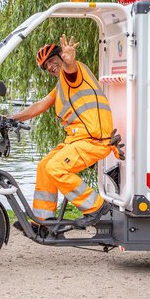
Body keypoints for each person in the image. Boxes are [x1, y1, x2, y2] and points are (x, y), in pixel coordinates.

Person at [10, 34, 115, 229]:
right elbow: (40, 105)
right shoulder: (61, 85)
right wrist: (11, 119)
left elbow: (71, 68)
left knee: (56, 168)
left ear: (61, 56)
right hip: (79, 140)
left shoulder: (74, 73)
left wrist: (69, 60)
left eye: (51, 60)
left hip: (94, 140)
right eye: (45, 66)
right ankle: (44, 220)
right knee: (45, 166)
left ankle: (96, 207)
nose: (50, 66)